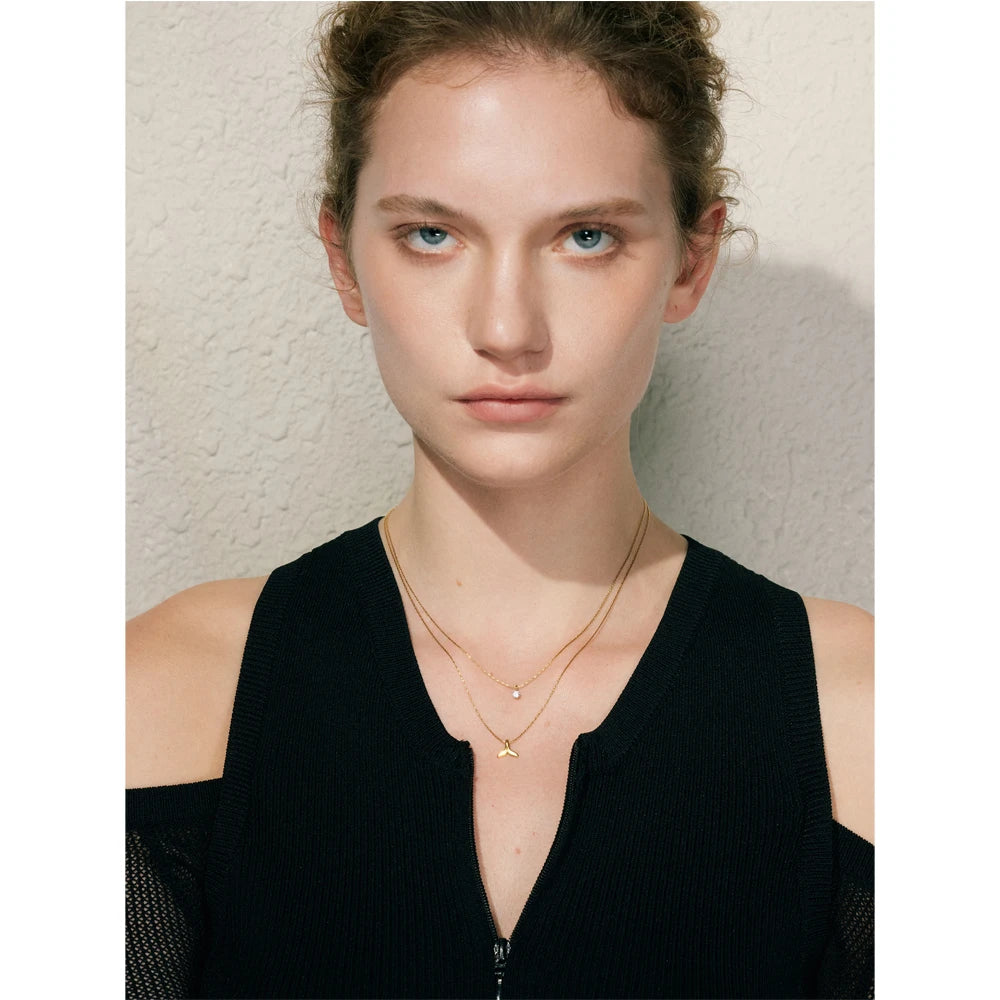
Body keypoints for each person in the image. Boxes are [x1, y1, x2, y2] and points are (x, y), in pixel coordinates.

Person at [126, 3, 873, 998]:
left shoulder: (873, 713)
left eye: (586, 236)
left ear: (690, 260)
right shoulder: (155, 695)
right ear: (344, 259)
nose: (508, 328)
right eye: (432, 234)